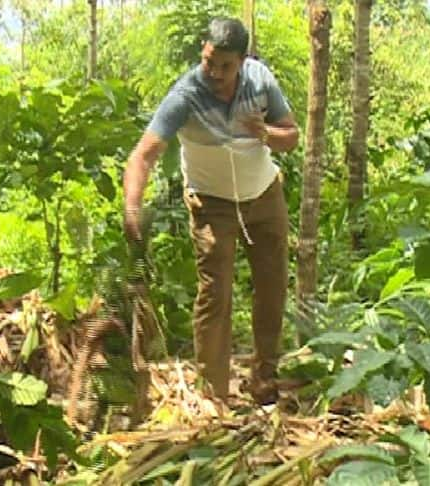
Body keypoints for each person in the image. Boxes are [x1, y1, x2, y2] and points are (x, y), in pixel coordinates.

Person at [123, 17, 299, 405]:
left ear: (242, 61)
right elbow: (143, 156)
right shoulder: (185, 96)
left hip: (264, 197)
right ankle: (212, 393)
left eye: (225, 66)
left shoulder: (260, 81)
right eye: (209, 62)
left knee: (271, 287)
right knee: (215, 292)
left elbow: (292, 136)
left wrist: (266, 134)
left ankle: (264, 380)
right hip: (212, 204)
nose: (215, 73)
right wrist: (132, 206)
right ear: (203, 50)